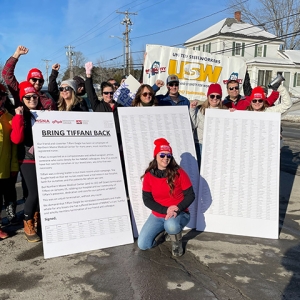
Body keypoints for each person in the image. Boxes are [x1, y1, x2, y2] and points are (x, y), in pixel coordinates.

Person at [138, 138, 195, 257]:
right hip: (158, 214)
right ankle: (164, 232)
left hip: (179, 213)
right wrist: (165, 210)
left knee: (171, 225)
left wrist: (177, 208)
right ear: (156, 156)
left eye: (168, 155)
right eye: (162, 155)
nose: (165, 158)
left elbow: (191, 195)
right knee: (143, 245)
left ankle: (176, 241)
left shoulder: (179, 173)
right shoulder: (149, 175)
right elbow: (147, 200)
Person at [10, 82, 43, 242]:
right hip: (27, 159)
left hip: (44, 158)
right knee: (34, 192)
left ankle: (37, 219)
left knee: (42, 192)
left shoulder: (41, 114)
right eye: (28, 97)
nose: (31, 99)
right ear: (22, 98)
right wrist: (18, 117)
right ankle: (27, 221)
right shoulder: (21, 115)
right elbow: (16, 139)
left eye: (34, 96)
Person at [1, 45, 56, 110]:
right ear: (28, 80)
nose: (37, 82)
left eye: (40, 81)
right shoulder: (19, 91)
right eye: (34, 79)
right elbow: (6, 75)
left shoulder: (46, 97)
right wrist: (16, 54)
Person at [190, 83, 227, 166]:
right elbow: (193, 125)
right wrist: (192, 110)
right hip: (200, 144)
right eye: (212, 96)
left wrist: (232, 113)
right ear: (208, 97)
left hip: (215, 145)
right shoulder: (200, 109)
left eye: (218, 96)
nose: (215, 99)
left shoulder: (225, 111)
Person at [0, 84, 19, 239]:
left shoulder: (10, 119)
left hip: (4, 168)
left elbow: (14, 147)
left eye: (0, 96)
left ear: (4, 98)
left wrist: (13, 167)